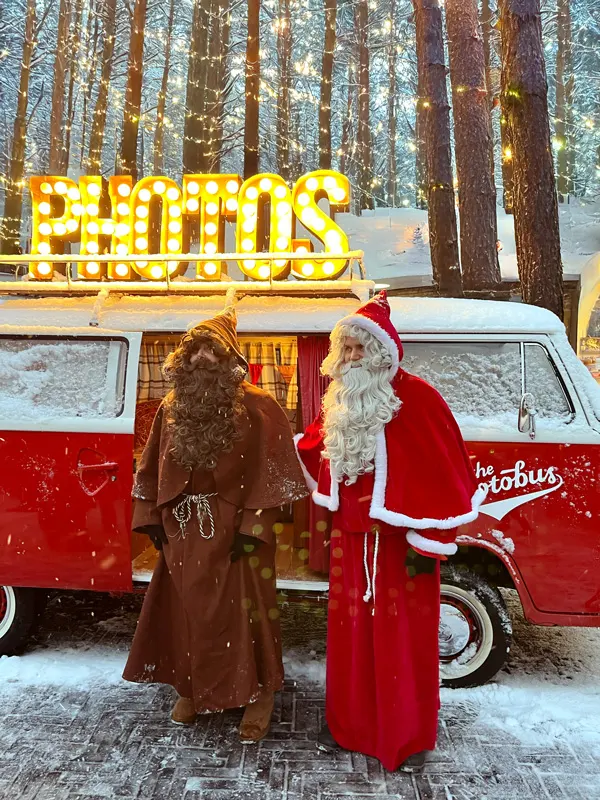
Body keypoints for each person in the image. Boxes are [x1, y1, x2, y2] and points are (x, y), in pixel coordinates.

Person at [294, 291, 486, 772]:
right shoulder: (339, 400)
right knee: (350, 633)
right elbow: (315, 443)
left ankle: (400, 732)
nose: (354, 358)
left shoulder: (418, 397)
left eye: (362, 349)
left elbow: (449, 469)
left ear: (383, 353)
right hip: (350, 540)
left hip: (401, 546)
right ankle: (352, 724)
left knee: (401, 636)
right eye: (348, 350)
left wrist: (430, 541)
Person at [123, 302, 308, 742]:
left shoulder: (261, 406)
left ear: (230, 359)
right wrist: (150, 517)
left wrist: (253, 528)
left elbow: (275, 473)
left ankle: (259, 693)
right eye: (194, 350)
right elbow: (150, 467)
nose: (201, 357)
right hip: (183, 526)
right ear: (182, 359)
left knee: (248, 615)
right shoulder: (172, 406)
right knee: (186, 610)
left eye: (211, 350)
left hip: (236, 528)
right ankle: (191, 687)